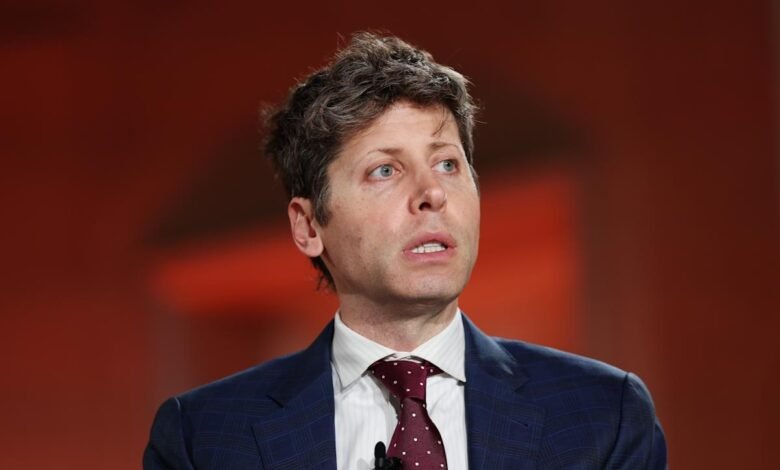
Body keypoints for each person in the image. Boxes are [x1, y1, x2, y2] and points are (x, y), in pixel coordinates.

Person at [144, 32, 667, 469]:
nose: (432, 193)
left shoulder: (602, 415)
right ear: (308, 226)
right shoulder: (203, 439)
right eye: (385, 170)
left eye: (447, 164)